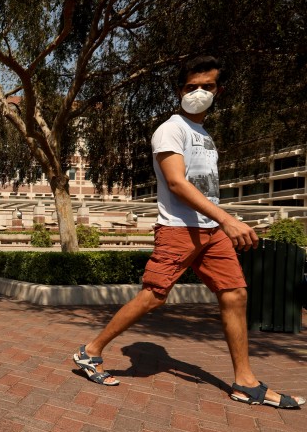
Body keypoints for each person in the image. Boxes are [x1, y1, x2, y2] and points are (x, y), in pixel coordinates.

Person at [73, 56, 304, 409]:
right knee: (154, 295)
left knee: (235, 294)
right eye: (191, 86)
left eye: (207, 86)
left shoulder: (205, 135)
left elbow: (204, 187)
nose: (198, 92)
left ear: (218, 90)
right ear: (179, 90)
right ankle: (90, 351)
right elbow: (178, 183)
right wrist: (228, 219)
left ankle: (245, 381)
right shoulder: (172, 129)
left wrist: (220, 223)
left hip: (211, 231)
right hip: (179, 229)